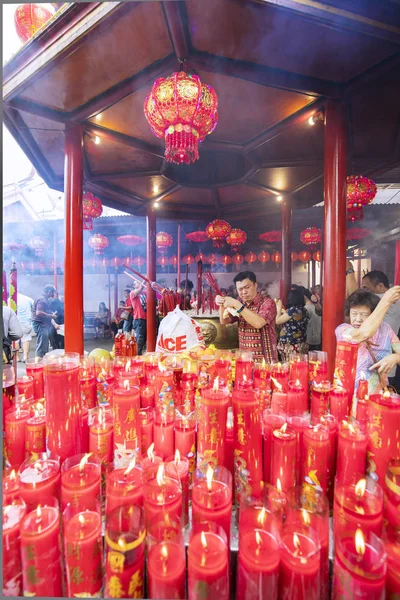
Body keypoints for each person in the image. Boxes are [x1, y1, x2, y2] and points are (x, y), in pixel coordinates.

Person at [335, 287, 400, 394]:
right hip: (348, 393)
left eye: (364, 315)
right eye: (354, 314)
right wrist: (385, 301)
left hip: (377, 394)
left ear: (374, 314)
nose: (358, 319)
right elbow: (361, 335)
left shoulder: (385, 329)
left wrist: (395, 357)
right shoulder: (343, 330)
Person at [216, 271, 278, 362]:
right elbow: (224, 321)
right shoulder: (240, 303)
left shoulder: (268, 303)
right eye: (240, 289)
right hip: (245, 358)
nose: (244, 292)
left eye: (247, 287)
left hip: (265, 359)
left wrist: (237, 305)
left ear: (255, 285)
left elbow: (258, 323)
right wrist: (221, 304)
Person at [362, 270, 400, 335]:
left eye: (366, 288)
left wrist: (349, 271)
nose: (363, 291)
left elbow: (355, 298)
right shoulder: (394, 295)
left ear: (381, 286)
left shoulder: (381, 299)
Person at [275, 288, 309, 360]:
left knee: (289, 365)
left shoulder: (292, 310)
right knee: (299, 365)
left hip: (290, 343)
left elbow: (277, 321)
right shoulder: (304, 310)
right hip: (301, 342)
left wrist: (278, 309)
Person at [31, 284, 57, 357]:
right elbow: (38, 312)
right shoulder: (42, 299)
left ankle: (42, 360)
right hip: (41, 324)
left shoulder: (41, 298)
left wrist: (49, 313)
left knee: (44, 344)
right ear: (49, 291)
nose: (52, 295)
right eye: (52, 293)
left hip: (42, 324)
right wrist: (51, 316)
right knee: (42, 345)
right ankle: (40, 362)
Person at [130, 281, 147, 355]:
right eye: (137, 282)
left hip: (146, 317)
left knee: (145, 338)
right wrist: (145, 279)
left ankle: (141, 353)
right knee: (140, 337)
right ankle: (137, 355)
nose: (139, 283)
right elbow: (140, 289)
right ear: (134, 286)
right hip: (139, 318)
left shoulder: (144, 292)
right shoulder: (133, 293)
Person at [16, 290, 34, 362]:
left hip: (15, 322)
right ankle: (25, 357)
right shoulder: (28, 299)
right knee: (26, 339)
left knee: (15, 340)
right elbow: (35, 307)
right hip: (26, 322)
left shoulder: (10, 299)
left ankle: (17, 357)